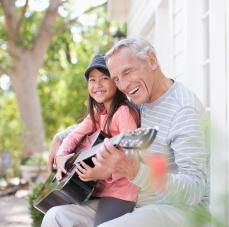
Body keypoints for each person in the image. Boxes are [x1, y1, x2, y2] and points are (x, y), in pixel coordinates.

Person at [43, 37, 208, 227]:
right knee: (55, 217)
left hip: (175, 210)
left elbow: (195, 187)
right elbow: (101, 120)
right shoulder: (139, 101)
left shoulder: (183, 109)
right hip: (133, 201)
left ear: (152, 60)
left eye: (127, 72)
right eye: (116, 79)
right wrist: (61, 138)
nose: (124, 85)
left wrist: (135, 171)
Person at [46, 54, 140, 226]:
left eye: (105, 78)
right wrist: (61, 156)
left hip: (120, 192)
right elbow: (74, 136)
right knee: (55, 214)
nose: (97, 85)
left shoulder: (123, 113)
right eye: (92, 80)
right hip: (99, 188)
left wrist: (107, 173)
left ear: (116, 82)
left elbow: (133, 154)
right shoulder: (97, 113)